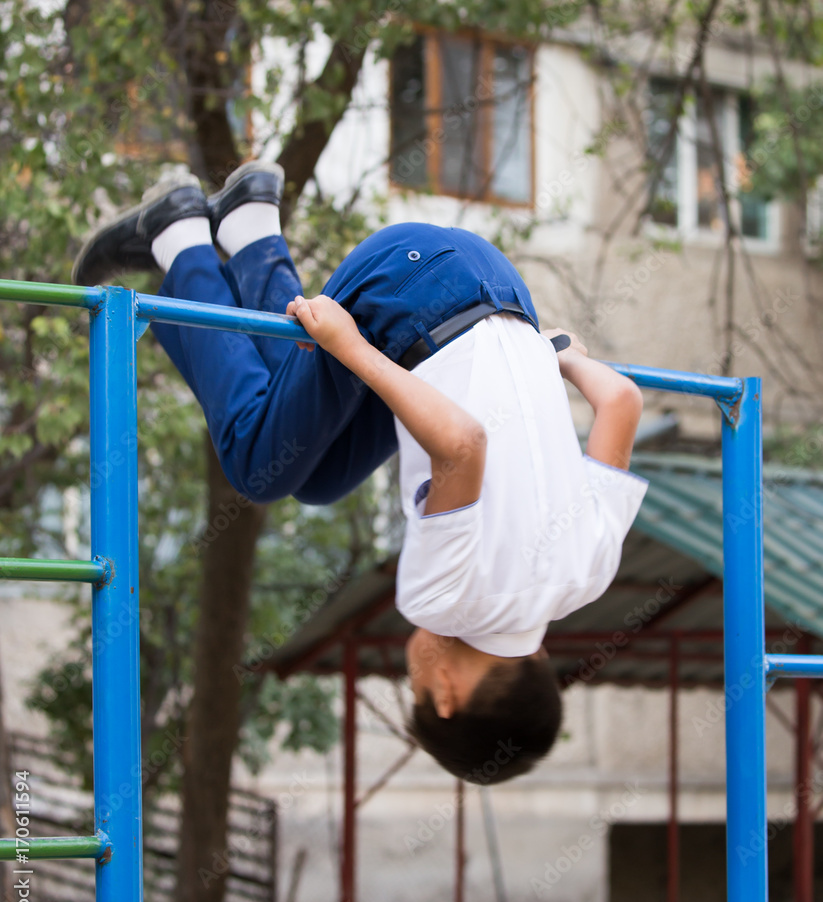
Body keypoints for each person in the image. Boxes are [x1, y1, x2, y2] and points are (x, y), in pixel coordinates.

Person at [73, 161, 647, 784]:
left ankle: (248, 224)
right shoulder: (445, 603)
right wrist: (350, 347)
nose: (412, 674)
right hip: (407, 293)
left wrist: (559, 357)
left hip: (499, 290)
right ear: (446, 696)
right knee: (256, 465)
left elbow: (621, 402)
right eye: (416, 690)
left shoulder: (585, 578)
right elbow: (462, 445)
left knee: (312, 473)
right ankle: (178, 237)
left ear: (534, 656)